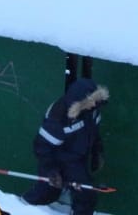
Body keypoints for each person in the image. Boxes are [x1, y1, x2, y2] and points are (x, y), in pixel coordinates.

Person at [20, 78, 108, 215]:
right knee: (48, 191)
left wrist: (97, 152)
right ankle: (18, 207)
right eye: (89, 102)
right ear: (78, 102)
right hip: (57, 158)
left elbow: (94, 133)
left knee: (86, 194)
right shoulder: (59, 117)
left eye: (95, 101)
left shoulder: (92, 111)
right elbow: (42, 146)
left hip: (77, 160)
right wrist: (51, 170)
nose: (93, 105)